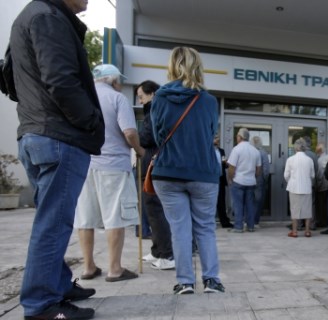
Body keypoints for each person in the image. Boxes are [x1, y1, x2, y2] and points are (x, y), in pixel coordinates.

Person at [11, 0, 104, 320]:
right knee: (54, 223)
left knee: (52, 218)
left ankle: (59, 284)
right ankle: (40, 302)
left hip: (38, 132)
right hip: (58, 136)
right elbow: (61, 80)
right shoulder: (48, 18)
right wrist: (91, 120)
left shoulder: (32, 16)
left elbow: (9, 78)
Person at [150, 46, 224, 294]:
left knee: (179, 228)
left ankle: (185, 282)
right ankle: (212, 280)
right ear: (198, 66)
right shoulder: (209, 100)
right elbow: (210, 133)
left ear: (172, 65)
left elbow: (156, 134)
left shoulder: (159, 97)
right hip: (203, 172)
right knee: (205, 227)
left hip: (167, 171)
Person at [74, 64, 144, 283]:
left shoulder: (80, 96)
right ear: (113, 80)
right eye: (119, 81)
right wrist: (139, 150)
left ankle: (88, 267)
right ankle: (114, 269)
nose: (121, 84)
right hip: (113, 165)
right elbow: (130, 132)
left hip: (85, 164)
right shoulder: (117, 98)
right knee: (115, 216)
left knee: (85, 217)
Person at [136, 80, 175, 270]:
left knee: (155, 210)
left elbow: (147, 137)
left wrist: (134, 138)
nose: (139, 100)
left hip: (154, 165)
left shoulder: (154, 111)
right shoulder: (157, 110)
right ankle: (157, 250)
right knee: (152, 211)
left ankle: (167, 254)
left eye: (141, 96)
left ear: (152, 94)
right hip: (154, 164)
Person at [227, 128, 262, 233]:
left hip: (238, 181)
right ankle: (250, 226)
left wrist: (230, 179)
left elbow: (231, 167)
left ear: (240, 137)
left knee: (238, 204)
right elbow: (259, 169)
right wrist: (253, 175)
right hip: (251, 182)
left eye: (237, 136)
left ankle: (238, 226)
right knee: (250, 205)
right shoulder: (255, 151)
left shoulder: (236, 149)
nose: (236, 137)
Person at [284, 138, 315, 237]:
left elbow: (286, 175)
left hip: (294, 188)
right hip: (306, 188)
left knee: (294, 209)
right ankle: (307, 231)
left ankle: (294, 231)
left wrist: (291, 181)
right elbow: (312, 175)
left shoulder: (290, 159)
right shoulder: (309, 160)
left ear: (295, 147)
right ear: (305, 147)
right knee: (307, 210)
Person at [214, 136, 233, 228]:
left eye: (217, 138)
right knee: (210, 201)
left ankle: (224, 222)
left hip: (220, 179)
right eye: (215, 138)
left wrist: (226, 163)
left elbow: (225, 166)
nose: (217, 140)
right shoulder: (207, 150)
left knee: (221, 201)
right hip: (211, 179)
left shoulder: (221, 151)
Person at [251, 135, 270, 228]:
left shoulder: (249, 152)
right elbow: (266, 169)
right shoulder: (263, 153)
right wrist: (265, 179)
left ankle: (248, 220)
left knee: (249, 200)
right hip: (259, 180)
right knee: (258, 201)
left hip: (248, 179)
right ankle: (255, 222)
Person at [315, 142, 328, 228]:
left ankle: (322, 222)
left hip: (322, 186)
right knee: (326, 205)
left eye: (316, 148)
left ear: (319, 150)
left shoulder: (320, 160)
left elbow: (319, 175)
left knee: (321, 205)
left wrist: (317, 186)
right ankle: (325, 221)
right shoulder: (327, 157)